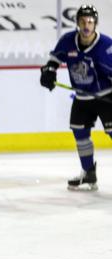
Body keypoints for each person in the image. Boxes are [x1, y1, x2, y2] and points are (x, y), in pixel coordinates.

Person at [40, 4, 111, 191]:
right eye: (82, 21)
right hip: (82, 98)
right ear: (77, 23)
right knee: (80, 134)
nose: (86, 25)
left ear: (95, 24)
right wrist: (49, 71)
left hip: (106, 97)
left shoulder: (106, 46)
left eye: (90, 21)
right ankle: (88, 173)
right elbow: (55, 59)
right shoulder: (67, 41)